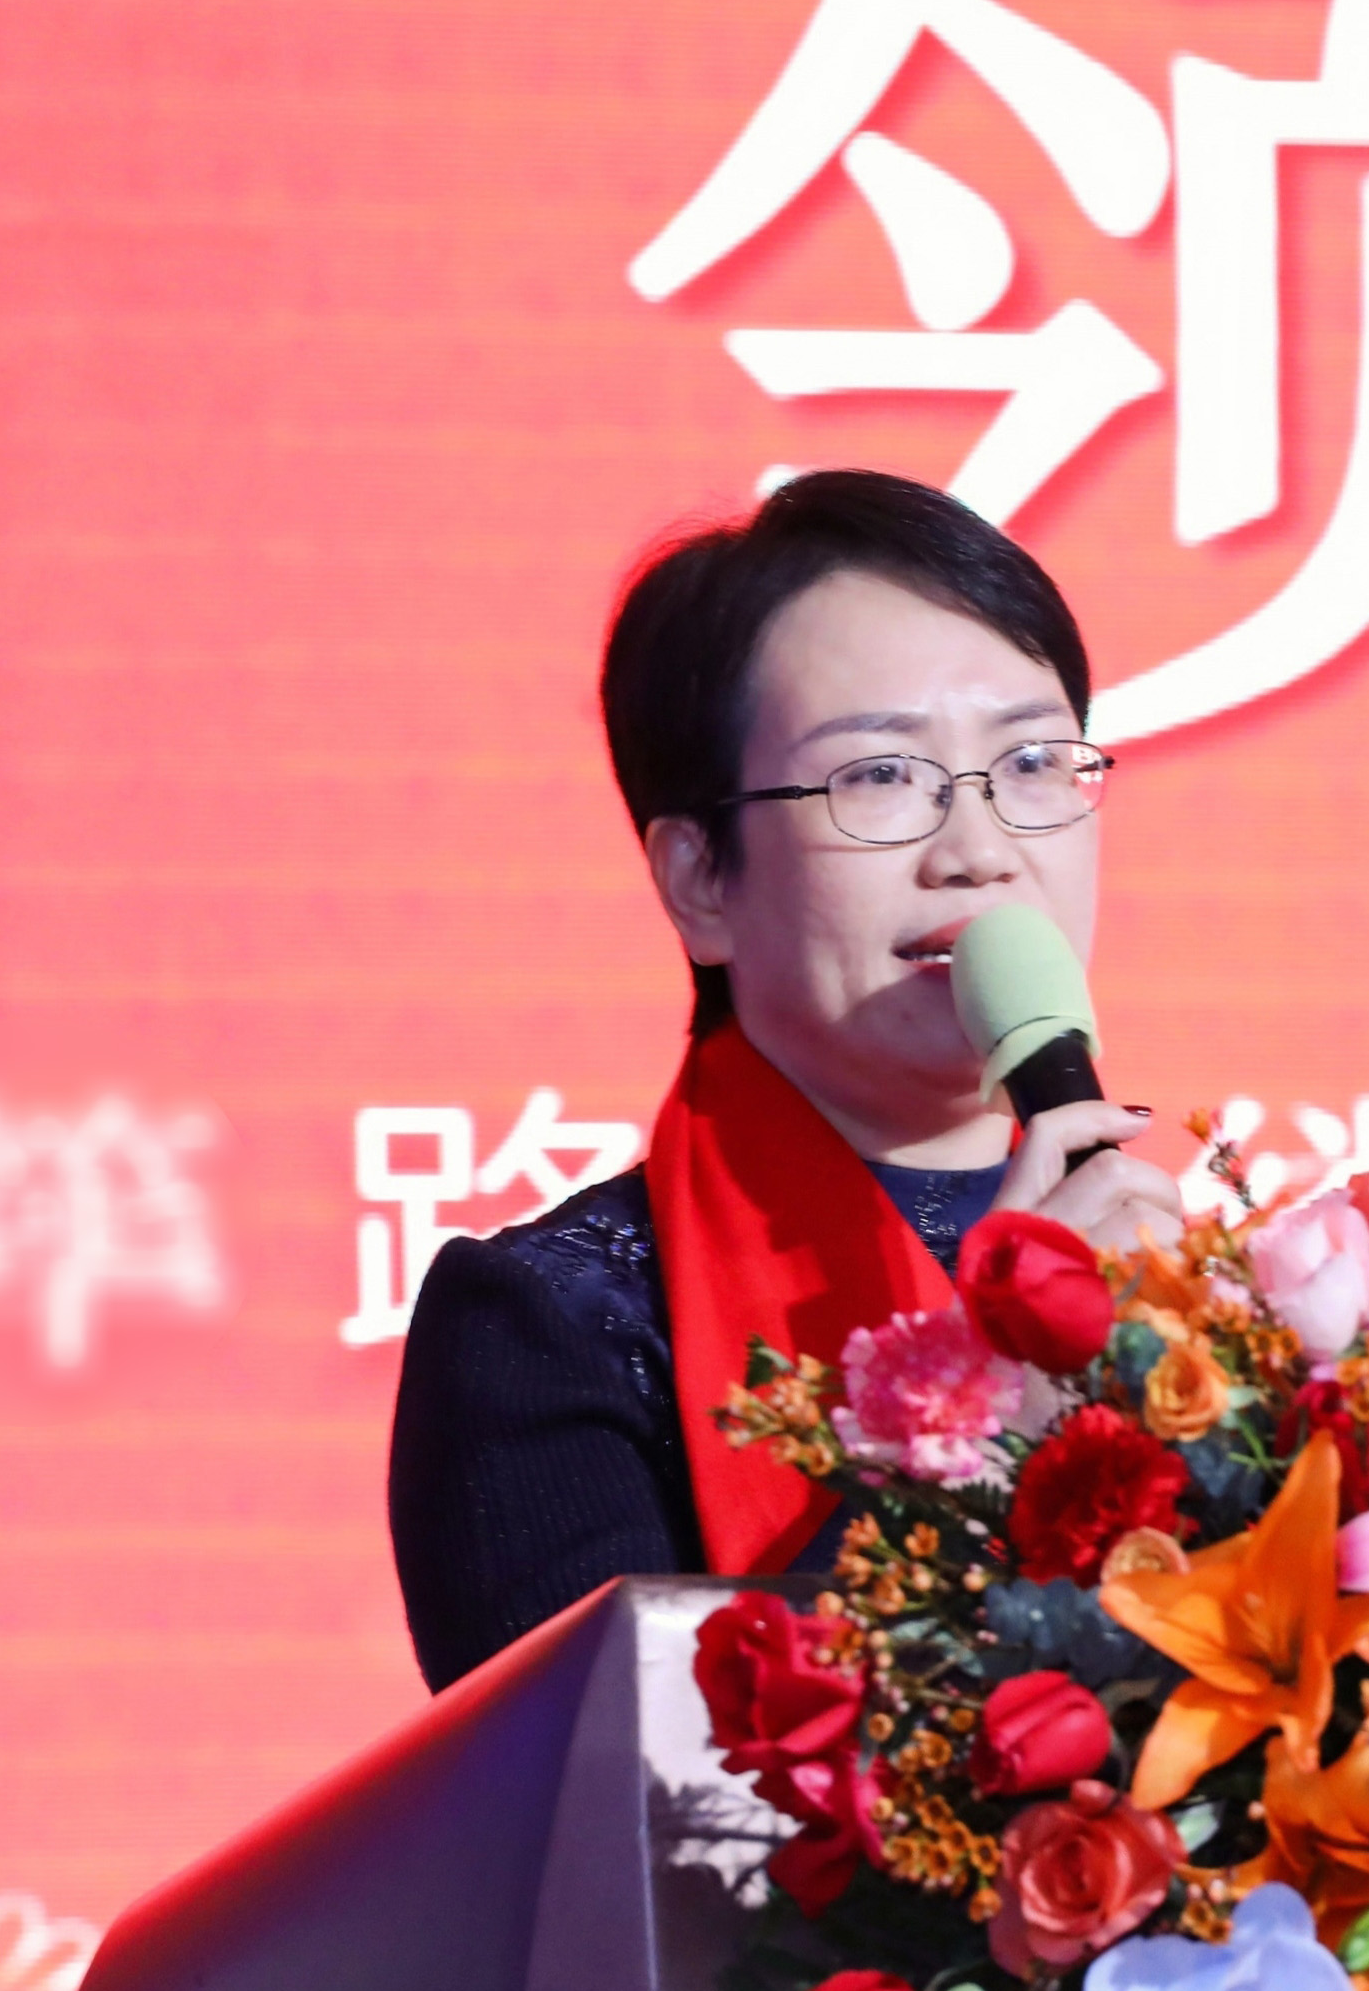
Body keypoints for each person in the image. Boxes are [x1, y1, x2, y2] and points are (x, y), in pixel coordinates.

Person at [389, 471, 1182, 1689]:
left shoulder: (1201, 1286)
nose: (980, 850)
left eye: (1033, 762)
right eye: (881, 777)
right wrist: (990, 1414)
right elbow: (615, 1774)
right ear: (701, 879)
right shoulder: (549, 1330)